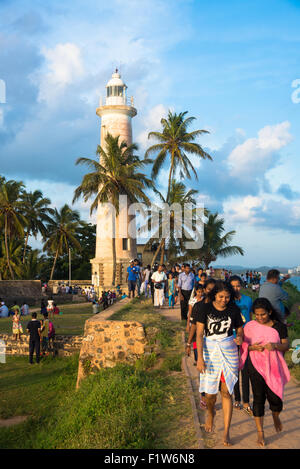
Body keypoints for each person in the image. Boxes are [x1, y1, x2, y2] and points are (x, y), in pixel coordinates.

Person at [195, 281, 244, 446]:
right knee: (210, 395)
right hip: (210, 352)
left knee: (226, 392)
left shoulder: (234, 309)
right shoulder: (205, 309)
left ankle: (226, 432)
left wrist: (240, 338)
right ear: (214, 295)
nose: (224, 300)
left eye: (227, 297)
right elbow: (200, 333)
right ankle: (211, 413)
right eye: (221, 296)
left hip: (229, 351)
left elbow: (240, 328)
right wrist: (200, 358)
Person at [239, 298, 290, 447]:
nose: (260, 318)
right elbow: (244, 346)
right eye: (257, 315)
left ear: (270, 312)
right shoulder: (250, 326)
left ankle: (275, 415)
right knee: (259, 398)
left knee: (276, 399)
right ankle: (260, 432)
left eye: (263, 314)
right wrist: (252, 348)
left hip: (274, 367)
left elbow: (286, 345)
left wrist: (275, 345)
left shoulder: (279, 326)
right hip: (255, 365)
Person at [229, 275, 253, 415]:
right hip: (231, 338)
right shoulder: (227, 300)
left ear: (241, 286)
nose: (236, 288)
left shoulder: (248, 300)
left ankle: (246, 401)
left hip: (246, 339)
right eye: (233, 286)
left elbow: (250, 317)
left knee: (246, 370)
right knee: (234, 370)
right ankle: (236, 398)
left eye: (238, 285)